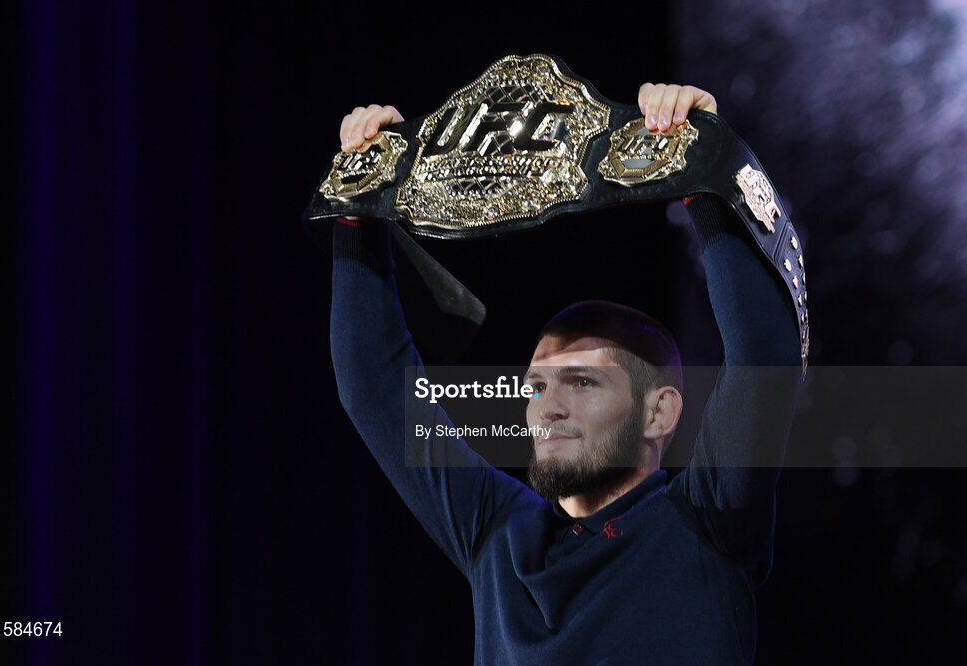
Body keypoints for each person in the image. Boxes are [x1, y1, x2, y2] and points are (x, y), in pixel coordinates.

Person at [330, 84, 801, 665]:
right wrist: (357, 206)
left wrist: (706, 166)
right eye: (536, 386)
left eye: (582, 381)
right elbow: (374, 386)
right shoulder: (500, 532)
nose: (546, 408)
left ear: (660, 411)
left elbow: (764, 355)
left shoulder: (708, 520)